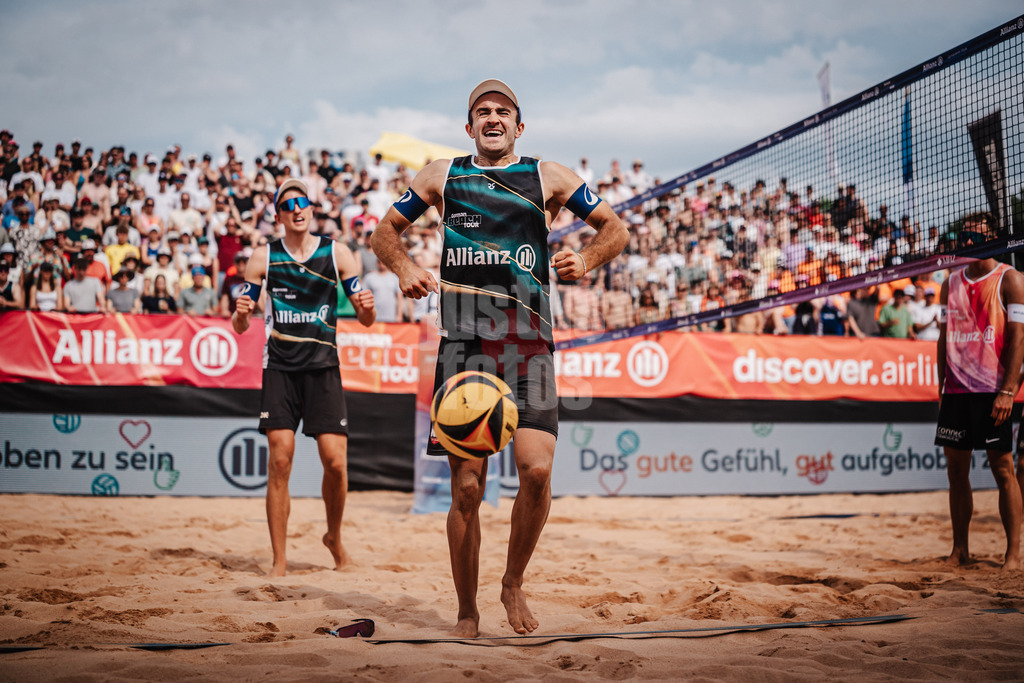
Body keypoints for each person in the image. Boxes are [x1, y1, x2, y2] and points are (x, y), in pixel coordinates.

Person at [370, 79, 629, 637]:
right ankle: (467, 610)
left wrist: (585, 260)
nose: (493, 118)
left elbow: (616, 228)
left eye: (503, 111)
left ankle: (512, 582)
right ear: (469, 127)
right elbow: (384, 231)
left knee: (536, 471)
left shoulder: (548, 176)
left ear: (519, 124)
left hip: (529, 346)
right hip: (465, 347)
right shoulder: (442, 175)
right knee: (467, 487)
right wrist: (406, 267)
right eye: (483, 112)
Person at [232, 178, 376, 578]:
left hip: (323, 366)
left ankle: (333, 537)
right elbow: (240, 325)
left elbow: (366, 318)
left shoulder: (337, 252)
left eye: (303, 203)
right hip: (280, 367)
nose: (297, 209)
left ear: (311, 209)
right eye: (288, 204)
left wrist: (367, 307)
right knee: (280, 460)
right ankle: (279, 560)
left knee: (336, 463)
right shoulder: (263, 257)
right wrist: (241, 314)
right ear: (278, 215)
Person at [935, 214, 1024, 571]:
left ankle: (1013, 555)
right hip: (957, 390)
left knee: (1003, 469)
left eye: (976, 235)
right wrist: (941, 386)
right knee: (956, 471)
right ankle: (960, 551)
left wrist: (1008, 390)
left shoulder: (1010, 279)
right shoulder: (950, 283)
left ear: (993, 238)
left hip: (993, 389)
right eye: (964, 236)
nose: (968, 242)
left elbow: (1019, 338)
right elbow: (943, 338)